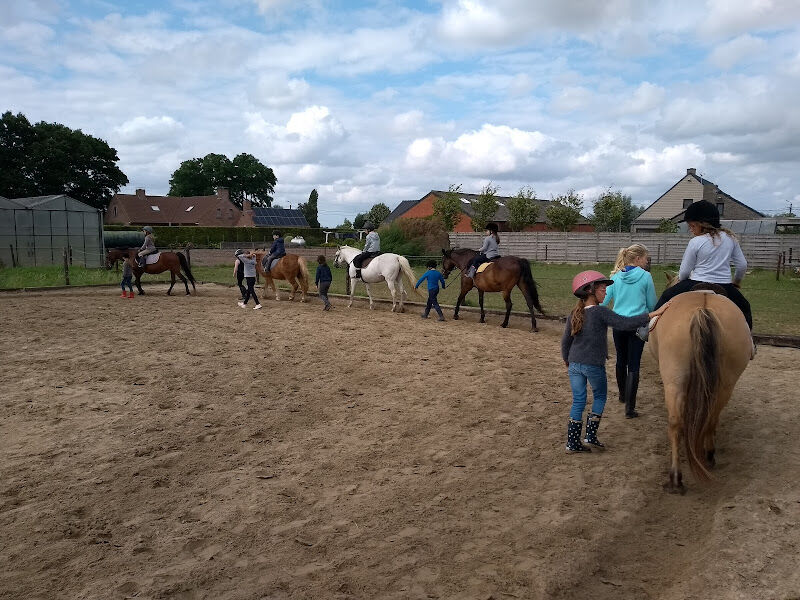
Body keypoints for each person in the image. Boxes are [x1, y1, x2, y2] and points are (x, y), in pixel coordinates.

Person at [562, 270, 671, 453]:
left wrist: (567, 359)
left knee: (578, 400)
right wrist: (654, 313)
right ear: (590, 290)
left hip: (574, 364)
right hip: (593, 365)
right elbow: (625, 323)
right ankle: (590, 436)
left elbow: (566, 341)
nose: (605, 292)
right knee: (600, 396)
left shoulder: (574, 313)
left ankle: (572, 443)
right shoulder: (601, 312)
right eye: (603, 289)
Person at [653, 200, 752, 331]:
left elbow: (683, 273)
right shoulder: (730, 238)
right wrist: (736, 282)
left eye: (693, 226)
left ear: (703, 225)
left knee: (666, 296)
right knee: (745, 307)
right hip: (724, 285)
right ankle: (748, 338)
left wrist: (682, 284)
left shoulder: (696, 242)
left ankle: (648, 327)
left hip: (695, 282)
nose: (691, 230)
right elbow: (742, 266)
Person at [600, 244, 656, 418]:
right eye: (646, 259)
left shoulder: (615, 277)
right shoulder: (646, 277)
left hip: (618, 324)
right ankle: (630, 408)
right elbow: (652, 304)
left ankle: (623, 395)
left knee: (621, 360)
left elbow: (604, 300)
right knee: (634, 364)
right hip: (637, 324)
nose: (647, 262)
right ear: (637, 259)